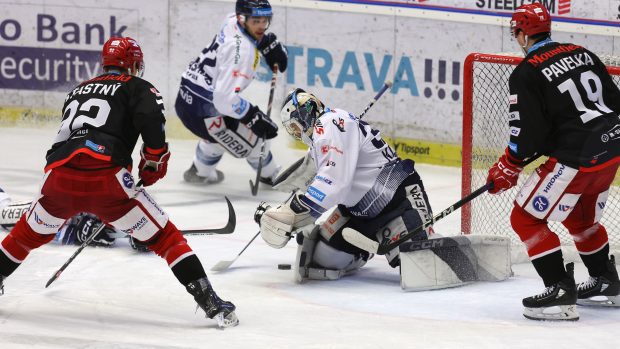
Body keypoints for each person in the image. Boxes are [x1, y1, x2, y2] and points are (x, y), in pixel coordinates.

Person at [0, 37, 238, 328]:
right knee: (167, 239)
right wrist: (152, 165)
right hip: (108, 181)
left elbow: (60, 141)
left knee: (22, 238)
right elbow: (152, 125)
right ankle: (212, 304)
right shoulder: (140, 86)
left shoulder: (77, 90)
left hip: (57, 179)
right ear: (135, 64)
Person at [486, 3, 620, 321]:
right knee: (581, 219)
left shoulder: (526, 72)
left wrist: (510, 164)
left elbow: (526, 132)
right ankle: (606, 282)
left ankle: (559, 293)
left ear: (521, 34)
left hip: (576, 157)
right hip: (613, 148)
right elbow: (615, 102)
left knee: (525, 218)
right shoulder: (582, 52)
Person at [257, 88, 435, 282]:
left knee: (422, 266)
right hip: (358, 213)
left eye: (295, 126)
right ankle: (365, 248)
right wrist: (285, 212)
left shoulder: (328, 125)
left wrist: (291, 213)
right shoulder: (325, 133)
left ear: (304, 114)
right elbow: (321, 181)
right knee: (323, 259)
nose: (296, 133)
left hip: (396, 200)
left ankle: (424, 239)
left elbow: (334, 182)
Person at [174, 0, 288, 185]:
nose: (261, 26)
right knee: (258, 141)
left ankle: (199, 171)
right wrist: (253, 116)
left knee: (221, 134)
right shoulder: (243, 53)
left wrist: (265, 43)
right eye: (255, 21)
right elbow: (224, 101)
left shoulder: (231, 21)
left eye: (264, 20)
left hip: (185, 99)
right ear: (242, 19)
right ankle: (273, 178)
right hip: (206, 111)